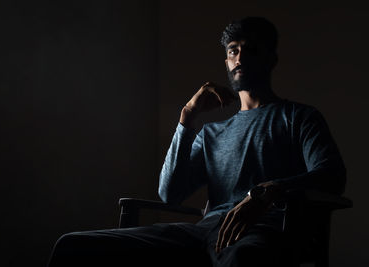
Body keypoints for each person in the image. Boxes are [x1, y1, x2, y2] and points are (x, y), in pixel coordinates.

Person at [47, 17, 346, 267]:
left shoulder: (298, 117)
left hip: (263, 230)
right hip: (203, 231)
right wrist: (187, 118)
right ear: (227, 61)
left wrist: (269, 191)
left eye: (251, 50)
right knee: (74, 246)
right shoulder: (212, 134)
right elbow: (170, 194)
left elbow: (331, 174)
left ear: (271, 59)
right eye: (233, 51)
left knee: (245, 257)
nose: (240, 58)